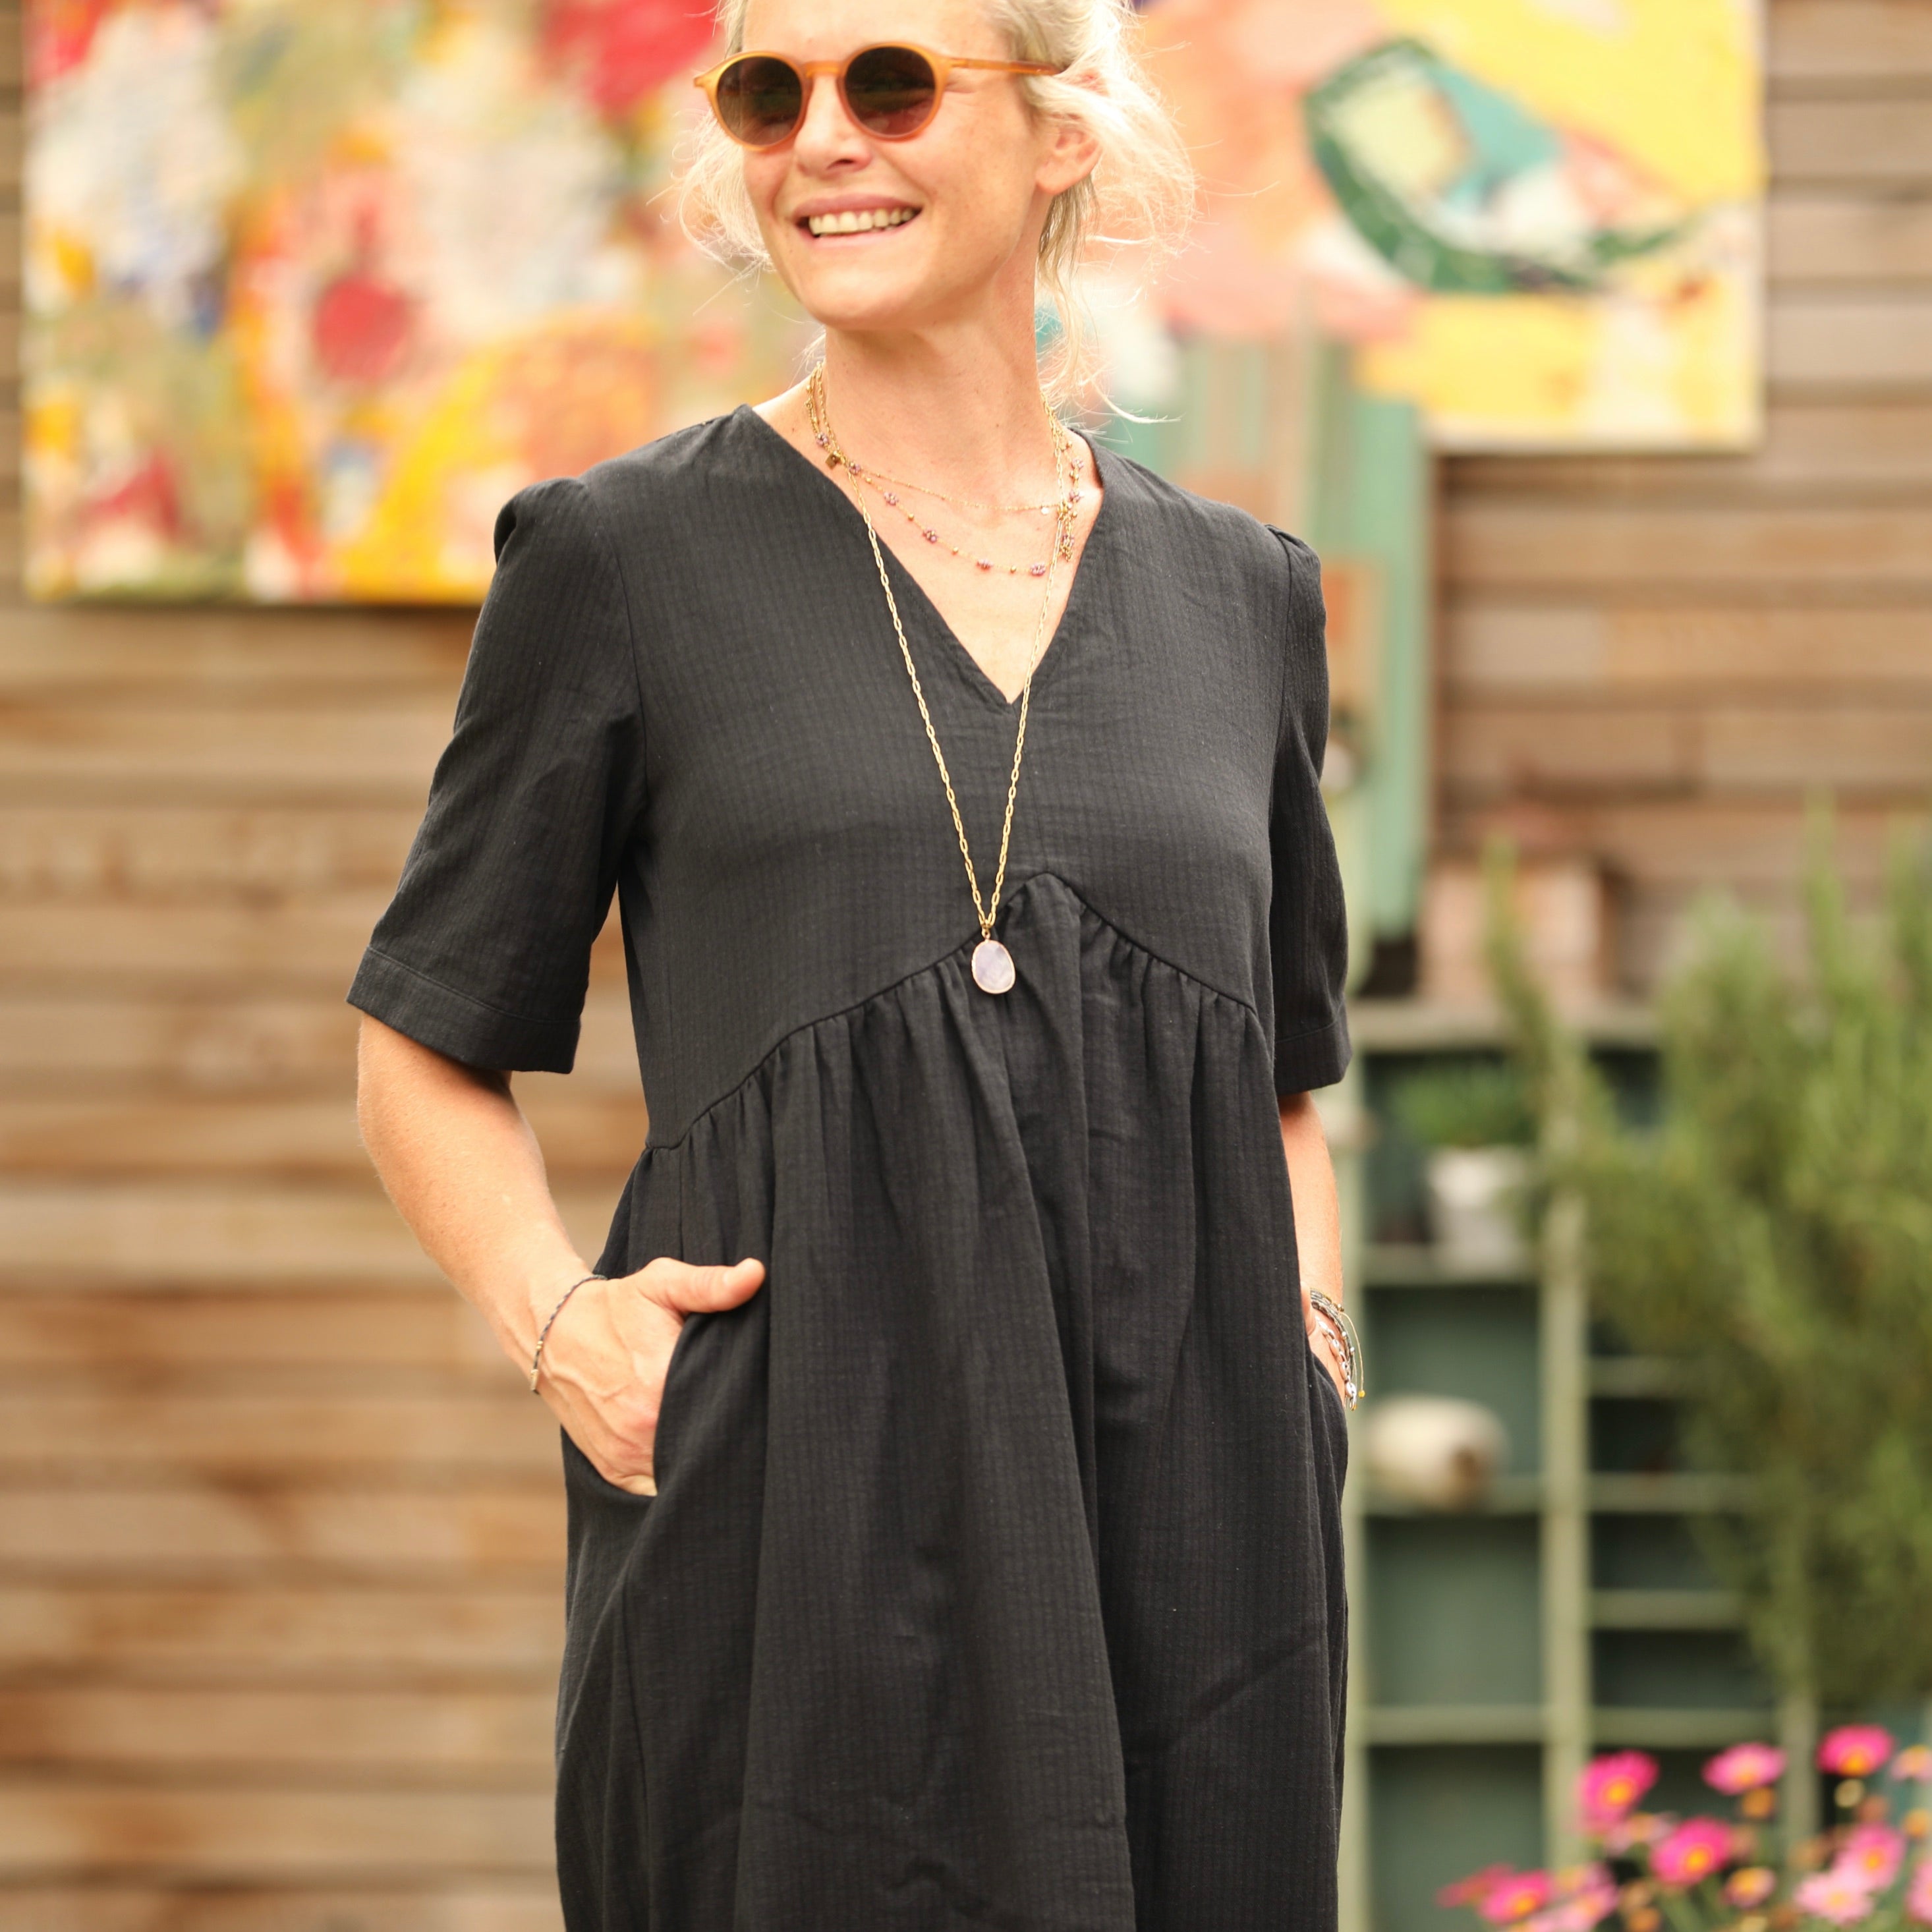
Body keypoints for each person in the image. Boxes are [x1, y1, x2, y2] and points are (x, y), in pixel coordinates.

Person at [350, 1, 1357, 1926]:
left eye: (890, 86)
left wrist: (1305, 1357)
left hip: (1194, 1545)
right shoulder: (620, 559)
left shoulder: (1246, 599)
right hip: (789, 1519)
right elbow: (423, 1044)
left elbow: (1286, 1083)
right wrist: (566, 1330)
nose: (822, 141)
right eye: (768, 96)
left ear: (1063, 133)